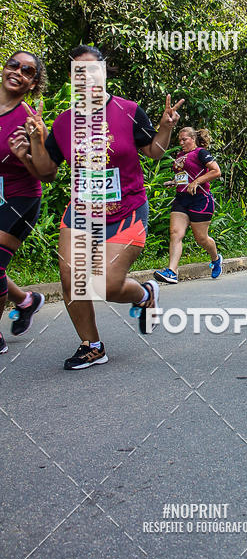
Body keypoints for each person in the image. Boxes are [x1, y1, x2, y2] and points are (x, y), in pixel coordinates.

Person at [21, 45, 183, 369]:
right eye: (79, 71)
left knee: (103, 283)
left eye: (93, 70)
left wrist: (166, 127)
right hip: (81, 212)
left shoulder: (128, 110)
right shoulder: (64, 123)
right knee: (72, 280)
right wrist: (37, 141)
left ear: (104, 72)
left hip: (126, 210)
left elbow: (154, 152)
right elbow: (46, 170)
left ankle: (145, 295)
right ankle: (92, 345)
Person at [0, 52, 47, 354]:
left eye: (27, 71)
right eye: (14, 65)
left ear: (33, 83)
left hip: (20, 197)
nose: (18, 72)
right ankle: (26, 301)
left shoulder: (29, 120)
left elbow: (46, 171)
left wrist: (34, 145)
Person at [154, 127, 222, 284]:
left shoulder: (201, 153)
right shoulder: (179, 155)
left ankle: (216, 259)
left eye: (184, 139)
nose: (181, 142)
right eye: (180, 140)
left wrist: (196, 182)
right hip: (181, 199)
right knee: (175, 233)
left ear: (193, 139)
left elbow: (216, 171)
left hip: (200, 200)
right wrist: (174, 182)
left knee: (201, 239)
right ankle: (172, 272)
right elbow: (184, 176)